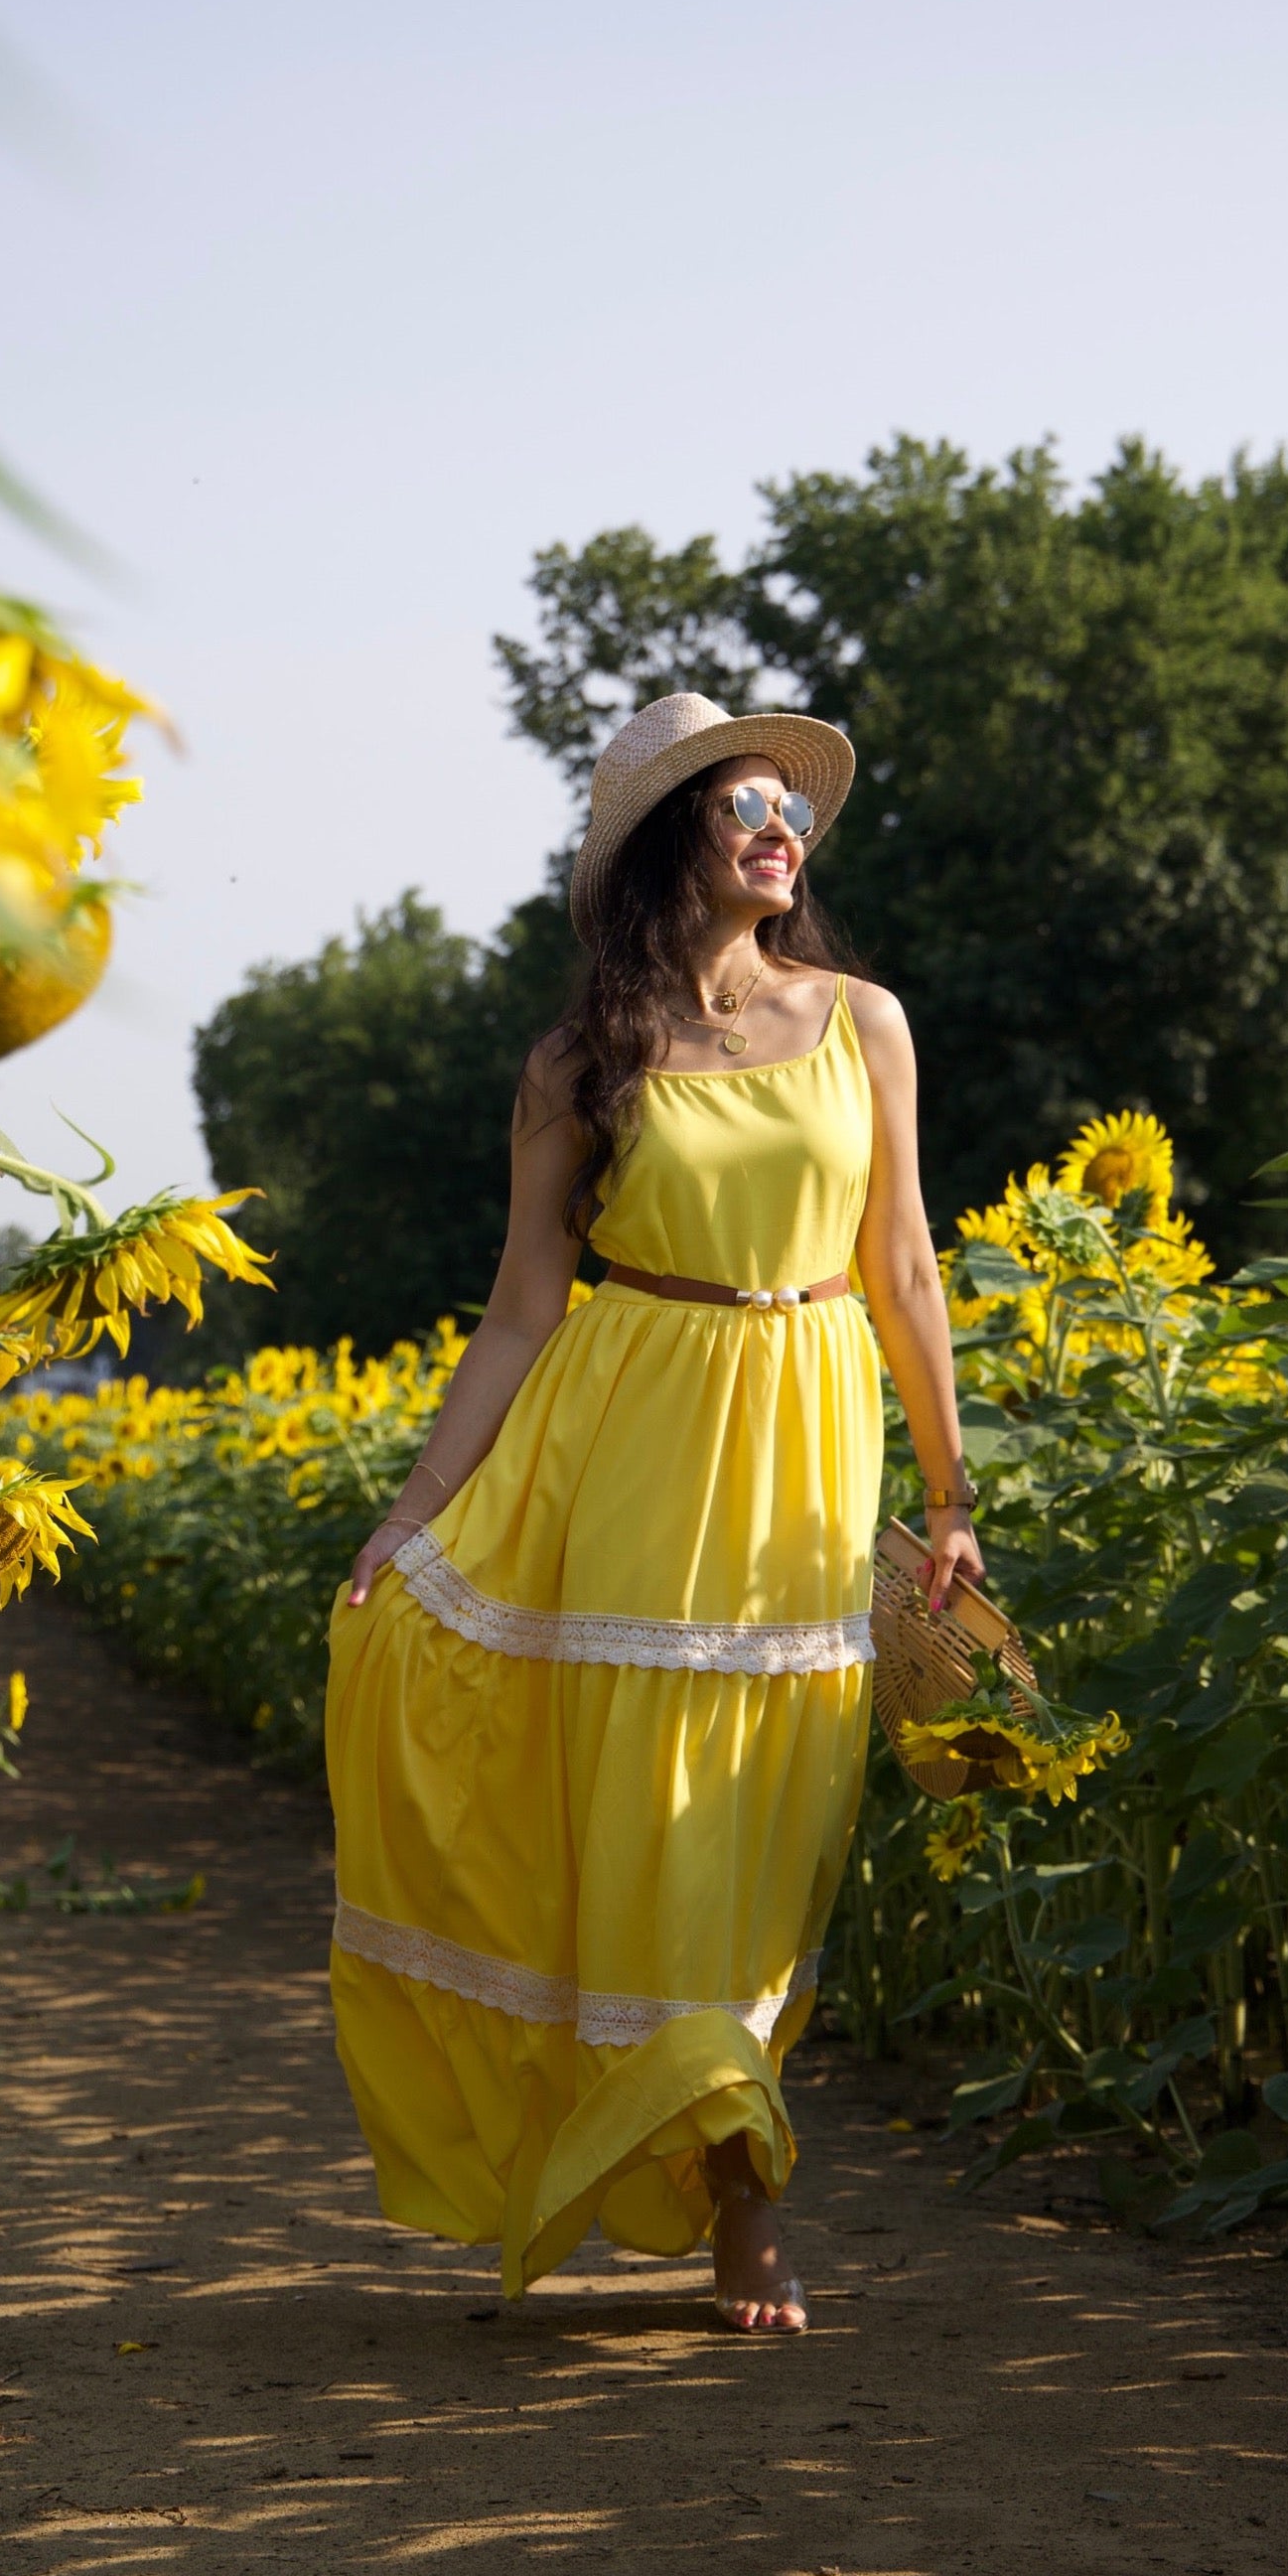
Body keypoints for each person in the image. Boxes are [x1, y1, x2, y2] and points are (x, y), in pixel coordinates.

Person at [326, 691, 982, 2331]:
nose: (784, 828)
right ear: (662, 847)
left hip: (803, 1453)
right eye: (742, 803)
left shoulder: (864, 1022)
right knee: (637, 1824)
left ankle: (728, 2166)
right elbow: (520, 1309)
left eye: (791, 808)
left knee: (761, 1830)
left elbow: (902, 1267)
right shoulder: (580, 1060)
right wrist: (413, 1512)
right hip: (623, 1451)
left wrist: (952, 1492)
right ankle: (735, 2205)